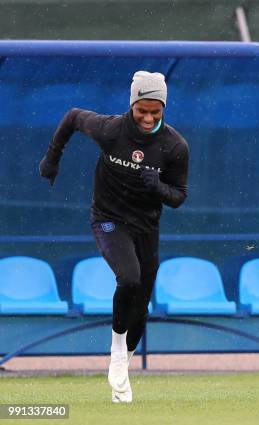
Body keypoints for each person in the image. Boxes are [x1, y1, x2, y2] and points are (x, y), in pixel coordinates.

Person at [39, 71, 189, 402]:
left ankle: (121, 375)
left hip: (146, 227)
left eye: (156, 111)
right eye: (142, 111)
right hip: (108, 220)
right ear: (132, 104)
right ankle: (117, 349)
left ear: (164, 108)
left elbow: (179, 196)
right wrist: (53, 157)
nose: (148, 118)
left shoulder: (174, 146)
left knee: (141, 311)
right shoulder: (110, 130)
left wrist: (158, 187)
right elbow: (74, 116)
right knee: (130, 278)